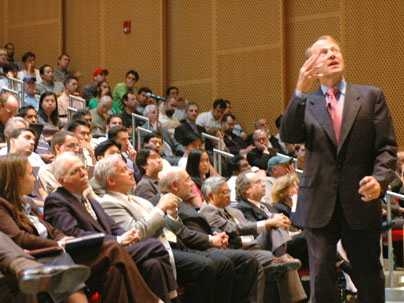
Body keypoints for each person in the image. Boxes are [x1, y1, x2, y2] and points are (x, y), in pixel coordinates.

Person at [280, 35, 397, 303]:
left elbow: (386, 148)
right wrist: (299, 90)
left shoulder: (370, 96)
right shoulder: (306, 103)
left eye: (335, 50)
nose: (332, 54)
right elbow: (289, 134)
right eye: (323, 52)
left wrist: (379, 180)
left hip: (360, 199)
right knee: (321, 276)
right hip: (319, 202)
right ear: (311, 64)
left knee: (368, 275)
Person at [44, 153, 178, 302]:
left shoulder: (90, 200)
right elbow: (74, 233)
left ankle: (168, 299)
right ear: (62, 180)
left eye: (82, 167)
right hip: (89, 258)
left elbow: (113, 227)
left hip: (111, 252)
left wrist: (129, 236)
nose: (83, 173)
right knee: (155, 245)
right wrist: (118, 240)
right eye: (75, 171)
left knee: (152, 265)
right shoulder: (56, 200)